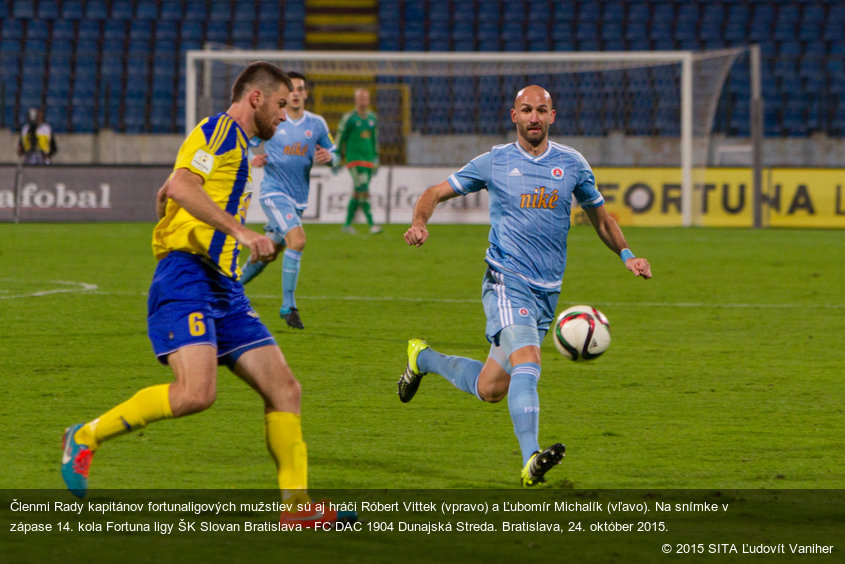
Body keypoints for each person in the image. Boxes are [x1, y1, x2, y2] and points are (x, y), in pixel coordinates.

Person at [61, 62, 356, 527]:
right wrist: (239, 231)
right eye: (280, 104)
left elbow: (173, 187)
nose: (284, 116)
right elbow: (181, 184)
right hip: (187, 275)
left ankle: (296, 507)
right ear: (256, 98)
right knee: (196, 394)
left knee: (285, 388)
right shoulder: (218, 129)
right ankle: (84, 436)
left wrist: (174, 203)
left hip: (223, 284)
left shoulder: (238, 145)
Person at [398, 85, 652, 487]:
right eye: (527, 110)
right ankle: (530, 459)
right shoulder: (494, 162)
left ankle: (421, 359)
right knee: (528, 362)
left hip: (547, 292)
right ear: (512, 115)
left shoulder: (572, 164)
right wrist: (419, 222)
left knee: (491, 388)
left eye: (542, 110)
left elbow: (601, 219)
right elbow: (434, 193)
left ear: (553, 116)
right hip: (505, 280)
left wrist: (628, 255)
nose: (534, 117)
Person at [239, 71, 334, 330]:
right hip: (273, 192)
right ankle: (288, 305)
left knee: (269, 252)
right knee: (298, 239)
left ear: (305, 94)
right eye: (291, 88)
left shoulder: (316, 124)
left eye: (300, 89)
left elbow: (334, 152)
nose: (295, 93)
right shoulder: (274, 120)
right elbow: (245, 140)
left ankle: (228, 287)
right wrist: (252, 159)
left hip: (298, 199)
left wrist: (330, 157)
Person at [334, 87, 381, 234]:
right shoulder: (349, 118)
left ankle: (347, 224)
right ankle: (372, 224)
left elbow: (375, 140)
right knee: (363, 189)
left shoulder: (372, 118)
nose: (363, 101)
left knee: (357, 192)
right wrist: (336, 155)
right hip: (354, 160)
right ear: (356, 100)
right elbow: (340, 137)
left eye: (365, 98)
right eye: (360, 98)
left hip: (368, 160)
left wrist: (375, 157)